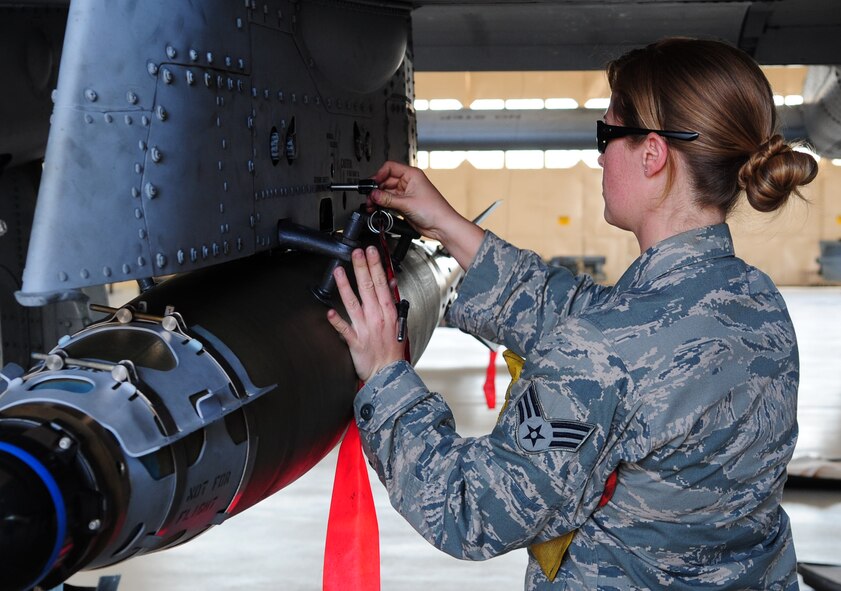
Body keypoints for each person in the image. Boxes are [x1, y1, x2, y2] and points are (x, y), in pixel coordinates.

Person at [325, 37, 818, 590]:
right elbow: (594, 317)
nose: (599, 155)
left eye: (607, 135)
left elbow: (470, 509)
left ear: (653, 154)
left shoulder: (605, 350)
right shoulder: (755, 301)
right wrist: (449, 225)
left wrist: (388, 378)